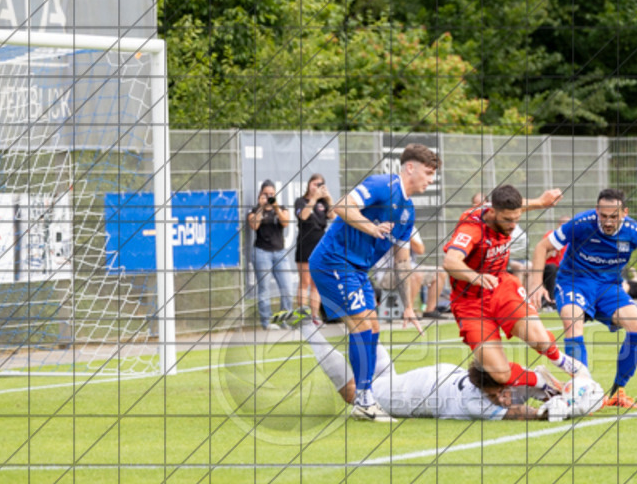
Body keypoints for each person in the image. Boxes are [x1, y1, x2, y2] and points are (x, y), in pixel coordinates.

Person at [309, 143, 441, 421]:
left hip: (357, 270)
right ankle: (364, 400)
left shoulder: (407, 211)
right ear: (410, 168)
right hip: (334, 260)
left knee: (373, 328)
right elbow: (342, 205)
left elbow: (402, 261)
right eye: (428, 173)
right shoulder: (382, 185)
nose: (431, 179)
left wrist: (409, 306)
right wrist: (371, 227)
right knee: (361, 326)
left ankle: (366, 396)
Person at [530, 188, 637, 407]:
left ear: (625, 212)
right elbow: (542, 247)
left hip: (608, 287)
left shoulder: (635, 230)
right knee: (572, 319)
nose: (608, 222)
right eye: (603, 216)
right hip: (574, 282)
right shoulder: (582, 223)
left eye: (614, 217)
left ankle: (619, 391)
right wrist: (536, 283)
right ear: (597, 210)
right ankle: (583, 391)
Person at [442, 184, 587, 390]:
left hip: (501, 286)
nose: (512, 225)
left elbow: (519, 206)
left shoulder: (506, 211)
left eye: (516, 219)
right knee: (499, 373)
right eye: (507, 220)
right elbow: (450, 261)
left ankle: (567, 365)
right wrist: (475, 277)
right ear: (492, 211)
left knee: (540, 339)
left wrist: (541, 202)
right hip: (469, 303)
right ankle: (547, 384)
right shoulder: (472, 228)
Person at [301, 326, 604, 421]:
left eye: (503, 392)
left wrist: (570, 392)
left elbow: (547, 386)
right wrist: (561, 410)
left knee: (379, 372)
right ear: (484, 390)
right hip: (413, 394)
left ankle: (354, 320)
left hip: (436, 379)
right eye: (497, 395)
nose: (503, 399)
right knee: (355, 394)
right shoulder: (477, 404)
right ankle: (307, 328)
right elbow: (527, 414)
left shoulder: (504, 377)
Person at [247, 179, 294, 330]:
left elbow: (285, 222)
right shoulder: (255, 210)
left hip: (280, 253)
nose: (269, 197)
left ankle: (283, 320)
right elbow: (254, 225)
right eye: (266, 194)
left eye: (271, 194)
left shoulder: (281, 208)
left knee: (287, 288)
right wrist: (261, 207)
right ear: (260, 195)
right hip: (262, 253)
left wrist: (276, 207)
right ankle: (266, 322)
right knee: (264, 289)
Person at [372, 227, 449, 319]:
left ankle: (430, 310)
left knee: (440, 272)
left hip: (410, 267)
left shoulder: (410, 228)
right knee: (415, 274)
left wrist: (406, 233)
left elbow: (420, 250)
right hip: (386, 273)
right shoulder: (383, 226)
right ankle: (408, 311)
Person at [293, 174, 333, 324]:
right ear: (309, 184)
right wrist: (314, 199)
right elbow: (303, 216)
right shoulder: (301, 201)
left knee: (316, 283)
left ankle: (315, 316)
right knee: (305, 281)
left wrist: (329, 199)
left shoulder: (323, 203)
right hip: (305, 244)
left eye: (320, 184)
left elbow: (334, 217)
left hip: (320, 244)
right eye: (315, 184)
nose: (317, 187)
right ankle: (303, 316)